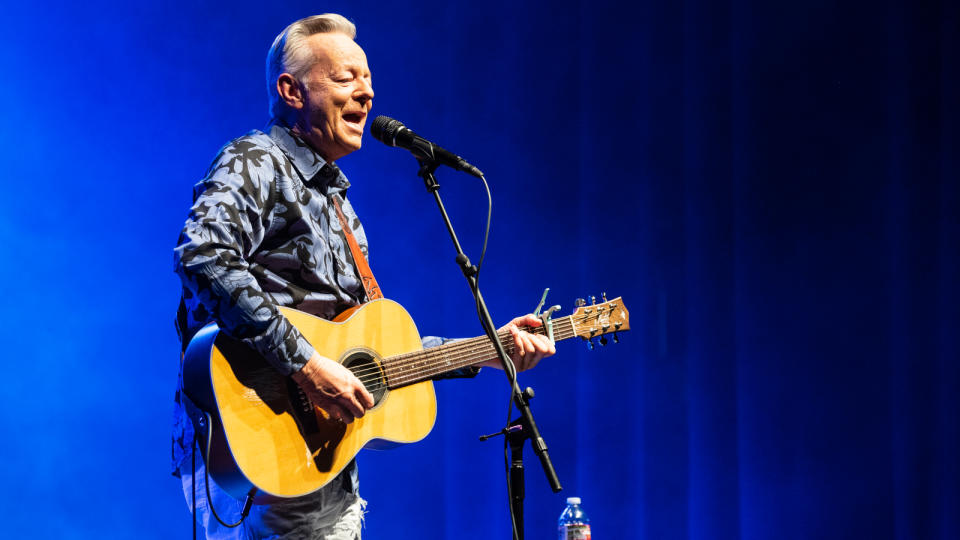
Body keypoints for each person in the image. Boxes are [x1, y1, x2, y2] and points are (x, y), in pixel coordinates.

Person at [171, 13, 555, 539]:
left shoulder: (339, 205)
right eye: (346, 77)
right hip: (256, 444)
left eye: (369, 79)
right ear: (291, 90)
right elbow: (204, 256)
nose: (367, 93)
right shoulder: (256, 160)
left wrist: (490, 349)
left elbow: (369, 351)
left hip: (321, 466)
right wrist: (307, 366)